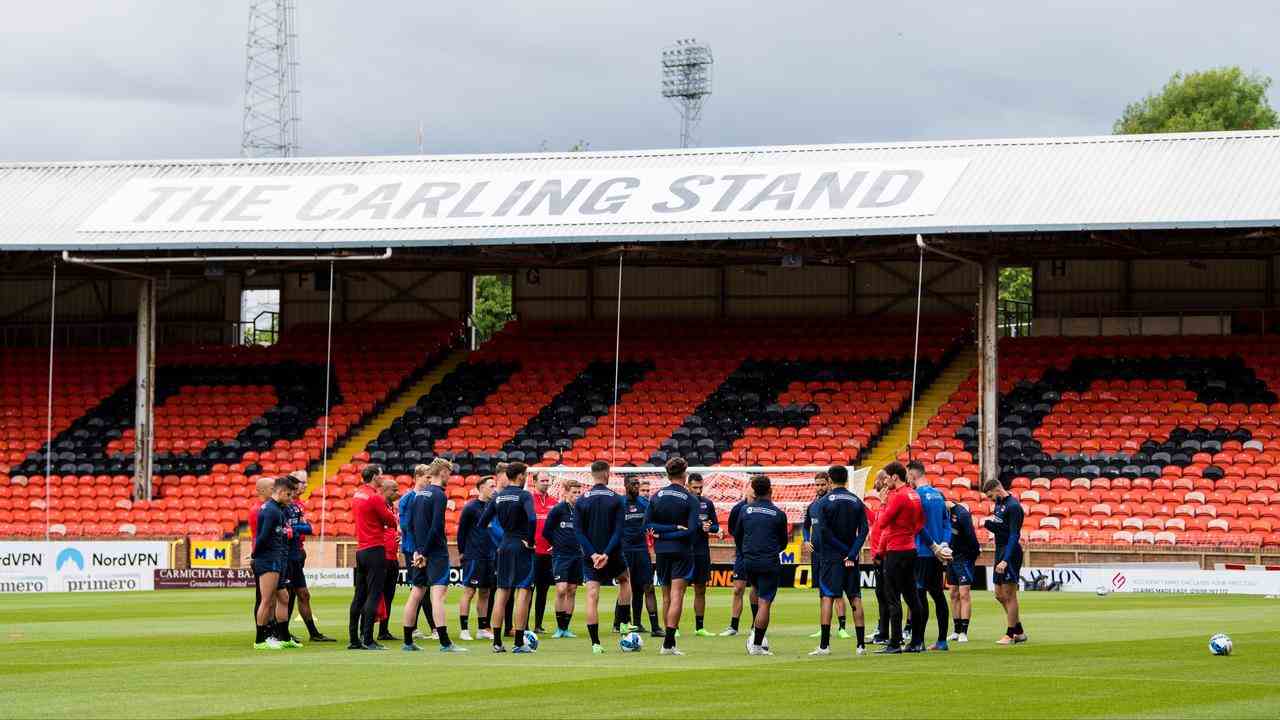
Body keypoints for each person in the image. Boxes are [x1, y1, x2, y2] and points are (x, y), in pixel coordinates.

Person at [404, 457, 466, 653]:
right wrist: (425, 552)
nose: (450, 476)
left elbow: (409, 527)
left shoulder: (418, 495)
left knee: (416, 593)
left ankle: (408, 641)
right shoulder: (439, 495)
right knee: (438, 596)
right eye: (449, 472)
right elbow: (436, 526)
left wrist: (416, 550)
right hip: (435, 552)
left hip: (419, 550)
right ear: (443, 473)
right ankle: (445, 642)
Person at [809, 465, 869, 656]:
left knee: (827, 597)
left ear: (829, 480)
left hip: (831, 558)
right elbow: (864, 530)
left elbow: (823, 532)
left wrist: (844, 551)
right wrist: (852, 553)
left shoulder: (823, 502)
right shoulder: (856, 501)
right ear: (846, 479)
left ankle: (824, 646)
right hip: (851, 558)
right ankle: (861, 646)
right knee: (855, 598)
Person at [477, 461, 538, 654]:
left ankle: (496, 642)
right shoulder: (525, 495)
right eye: (525, 475)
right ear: (520, 476)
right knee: (523, 592)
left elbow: (482, 522)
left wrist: (500, 538)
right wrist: (529, 540)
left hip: (504, 545)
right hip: (520, 546)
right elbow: (532, 519)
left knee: (502, 593)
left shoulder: (499, 497)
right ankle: (519, 643)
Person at [644, 456, 700, 655]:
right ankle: (668, 643)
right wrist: (676, 529)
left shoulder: (656, 496)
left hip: (661, 551)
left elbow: (647, 525)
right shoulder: (691, 499)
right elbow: (692, 530)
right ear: (684, 475)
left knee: (666, 596)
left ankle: (667, 642)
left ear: (668, 475)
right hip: (682, 550)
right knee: (677, 596)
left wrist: (663, 533)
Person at [577, 460, 631, 653]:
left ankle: (595, 644)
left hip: (590, 556)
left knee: (592, 596)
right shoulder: (617, 499)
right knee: (625, 579)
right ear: (607, 474)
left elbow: (579, 532)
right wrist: (606, 554)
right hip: (612, 553)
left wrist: (593, 554)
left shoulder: (582, 499)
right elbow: (618, 531)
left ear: (592, 475)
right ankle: (624, 622)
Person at [871, 462, 924, 654]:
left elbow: (883, 522)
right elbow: (919, 523)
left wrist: (883, 502)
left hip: (896, 551)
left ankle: (895, 642)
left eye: (886, 477)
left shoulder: (899, 497)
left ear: (894, 477)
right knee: (912, 596)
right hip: (910, 548)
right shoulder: (914, 494)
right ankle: (917, 641)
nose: (885, 482)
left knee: (892, 597)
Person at [732, 475, 788, 656]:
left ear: (754, 492)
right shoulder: (779, 514)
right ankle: (757, 644)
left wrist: (746, 552)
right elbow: (783, 542)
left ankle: (754, 633)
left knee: (755, 589)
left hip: (749, 560)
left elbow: (738, 535)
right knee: (765, 602)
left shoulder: (744, 510)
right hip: (769, 561)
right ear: (770, 491)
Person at [348, 464, 397, 650]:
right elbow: (391, 520)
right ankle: (368, 638)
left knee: (358, 596)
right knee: (374, 595)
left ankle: (354, 639)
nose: (382, 478)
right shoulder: (374, 497)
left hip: (361, 549)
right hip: (375, 549)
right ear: (375, 476)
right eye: (381, 475)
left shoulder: (357, 494)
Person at [282, 471, 333, 642]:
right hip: (287, 555)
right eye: (299, 484)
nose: (302, 487)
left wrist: (296, 529)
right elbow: (290, 530)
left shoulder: (297, 505)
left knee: (302, 594)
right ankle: (282, 632)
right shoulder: (282, 507)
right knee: (287, 595)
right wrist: (297, 529)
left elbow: (308, 528)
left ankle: (313, 633)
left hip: (296, 553)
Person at [908, 460, 953, 651]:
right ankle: (942, 641)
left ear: (912, 475)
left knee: (919, 596)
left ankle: (919, 641)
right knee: (938, 595)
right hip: (937, 554)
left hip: (921, 552)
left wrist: (934, 546)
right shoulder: (938, 495)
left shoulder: (916, 496)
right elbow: (947, 524)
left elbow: (918, 527)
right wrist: (944, 544)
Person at [803, 471, 849, 641]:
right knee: (822, 592)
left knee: (837, 591)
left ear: (829, 483)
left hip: (833, 553)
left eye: (822, 484)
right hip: (817, 554)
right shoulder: (812, 506)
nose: (820, 488)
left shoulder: (832, 504)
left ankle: (842, 627)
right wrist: (806, 540)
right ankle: (824, 627)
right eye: (817, 485)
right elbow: (806, 526)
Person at [982, 477, 1027, 645]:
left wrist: (1006, 560)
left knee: (1009, 594)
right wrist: (989, 525)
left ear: (997, 489)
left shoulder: (1014, 507)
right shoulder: (999, 505)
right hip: (999, 551)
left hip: (1010, 552)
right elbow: (1004, 529)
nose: (990, 500)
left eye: (990, 496)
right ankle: (1019, 630)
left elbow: (1014, 535)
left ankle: (1010, 634)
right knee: (999, 595)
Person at [252, 476, 296, 650]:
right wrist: (255, 555)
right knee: (266, 600)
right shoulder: (271, 510)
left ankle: (284, 637)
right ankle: (261, 640)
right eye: (289, 495)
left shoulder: (276, 509)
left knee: (283, 597)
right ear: (281, 492)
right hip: (268, 560)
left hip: (276, 559)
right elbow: (262, 537)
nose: (291, 499)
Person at [397, 465, 436, 639]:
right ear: (418, 477)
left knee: (422, 587)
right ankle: (431, 628)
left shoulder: (427, 497)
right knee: (421, 587)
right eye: (427, 477)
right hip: (413, 549)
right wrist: (414, 550)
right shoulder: (408, 498)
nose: (429, 480)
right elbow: (405, 526)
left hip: (424, 549)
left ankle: (414, 627)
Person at [457, 475, 497, 641]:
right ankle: (464, 629)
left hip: (490, 555)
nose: (494, 489)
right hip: (474, 555)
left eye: (495, 486)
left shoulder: (494, 506)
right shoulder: (471, 507)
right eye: (491, 486)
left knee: (486, 592)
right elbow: (461, 532)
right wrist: (462, 552)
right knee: (469, 591)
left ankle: (482, 628)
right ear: (481, 488)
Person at [622, 475, 663, 637]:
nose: (636, 487)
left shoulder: (645, 503)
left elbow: (653, 521)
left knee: (648, 587)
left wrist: (655, 531)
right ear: (625, 486)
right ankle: (627, 623)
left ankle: (655, 626)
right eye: (633, 484)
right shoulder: (619, 504)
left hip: (641, 550)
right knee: (628, 588)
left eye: (637, 484)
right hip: (624, 551)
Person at [543, 479, 584, 639]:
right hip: (561, 555)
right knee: (561, 590)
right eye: (574, 492)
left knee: (572, 590)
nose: (576, 495)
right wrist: (556, 543)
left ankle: (566, 628)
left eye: (578, 492)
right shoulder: (558, 510)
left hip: (577, 555)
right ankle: (559, 628)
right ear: (566, 492)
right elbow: (547, 531)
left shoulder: (581, 510)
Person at [719, 482, 758, 637]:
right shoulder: (737, 509)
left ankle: (755, 625)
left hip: (757, 556)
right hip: (742, 555)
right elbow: (732, 530)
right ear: (746, 489)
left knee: (756, 588)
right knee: (738, 590)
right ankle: (733, 626)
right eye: (751, 488)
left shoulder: (766, 508)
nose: (754, 492)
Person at [687, 473, 719, 637]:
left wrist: (709, 528)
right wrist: (699, 525)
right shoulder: (682, 503)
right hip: (684, 550)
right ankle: (674, 628)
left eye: (700, 488)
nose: (698, 491)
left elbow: (715, 527)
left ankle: (699, 627)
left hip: (701, 551)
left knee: (700, 589)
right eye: (695, 488)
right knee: (677, 590)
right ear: (688, 486)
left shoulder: (708, 504)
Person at [946, 499, 979, 643]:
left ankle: (964, 632)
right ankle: (956, 630)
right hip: (951, 557)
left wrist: (972, 556)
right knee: (953, 593)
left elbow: (971, 537)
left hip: (964, 558)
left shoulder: (962, 514)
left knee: (964, 594)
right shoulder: (945, 514)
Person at [529, 471, 558, 634]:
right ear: (534, 482)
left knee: (543, 590)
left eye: (548, 480)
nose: (546, 483)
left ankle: (538, 625)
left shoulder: (554, 502)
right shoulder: (528, 500)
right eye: (543, 480)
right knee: (528, 590)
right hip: (532, 552)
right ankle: (523, 625)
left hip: (548, 553)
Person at [247, 477, 274, 628]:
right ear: (262, 490)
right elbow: (261, 536)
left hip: (266, 556)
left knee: (270, 597)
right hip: (263, 557)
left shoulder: (267, 508)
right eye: (272, 488)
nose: (275, 490)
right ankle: (262, 630)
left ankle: (271, 628)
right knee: (263, 598)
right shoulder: (259, 510)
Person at [376, 478, 401, 642]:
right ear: (385, 490)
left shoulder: (391, 507)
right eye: (394, 490)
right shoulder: (377, 507)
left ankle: (384, 631)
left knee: (389, 595)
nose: (397, 493)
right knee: (376, 595)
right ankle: (366, 630)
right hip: (381, 557)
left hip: (393, 556)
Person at [867, 472, 889, 644]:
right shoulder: (883, 504)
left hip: (886, 555)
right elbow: (877, 523)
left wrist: (880, 552)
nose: (875, 486)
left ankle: (890, 633)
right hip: (879, 554)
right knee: (882, 594)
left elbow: (883, 527)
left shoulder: (890, 501)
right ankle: (882, 630)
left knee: (888, 596)